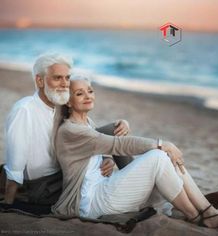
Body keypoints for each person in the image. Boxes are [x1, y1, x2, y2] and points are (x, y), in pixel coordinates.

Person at [51, 75, 218, 232]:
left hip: (105, 188)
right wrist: (163, 144)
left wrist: (120, 127)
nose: (87, 96)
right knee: (158, 157)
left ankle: (207, 210)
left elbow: (100, 137)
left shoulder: (86, 122)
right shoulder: (70, 131)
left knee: (166, 162)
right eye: (79, 93)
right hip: (92, 202)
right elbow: (117, 144)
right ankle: (195, 215)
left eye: (90, 91)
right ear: (68, 101)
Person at [2, 53, 127, 206]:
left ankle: (132, 183)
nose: (65, 84)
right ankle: (131, 189)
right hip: (46, 187)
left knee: (116, 129)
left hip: (67, 171)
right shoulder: (24, 110)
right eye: (57, 78)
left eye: (67, 78)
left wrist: (106, 158)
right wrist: (8, 203)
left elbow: (90, 133)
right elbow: (15, 164)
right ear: (40, 80)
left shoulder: (61, 104)